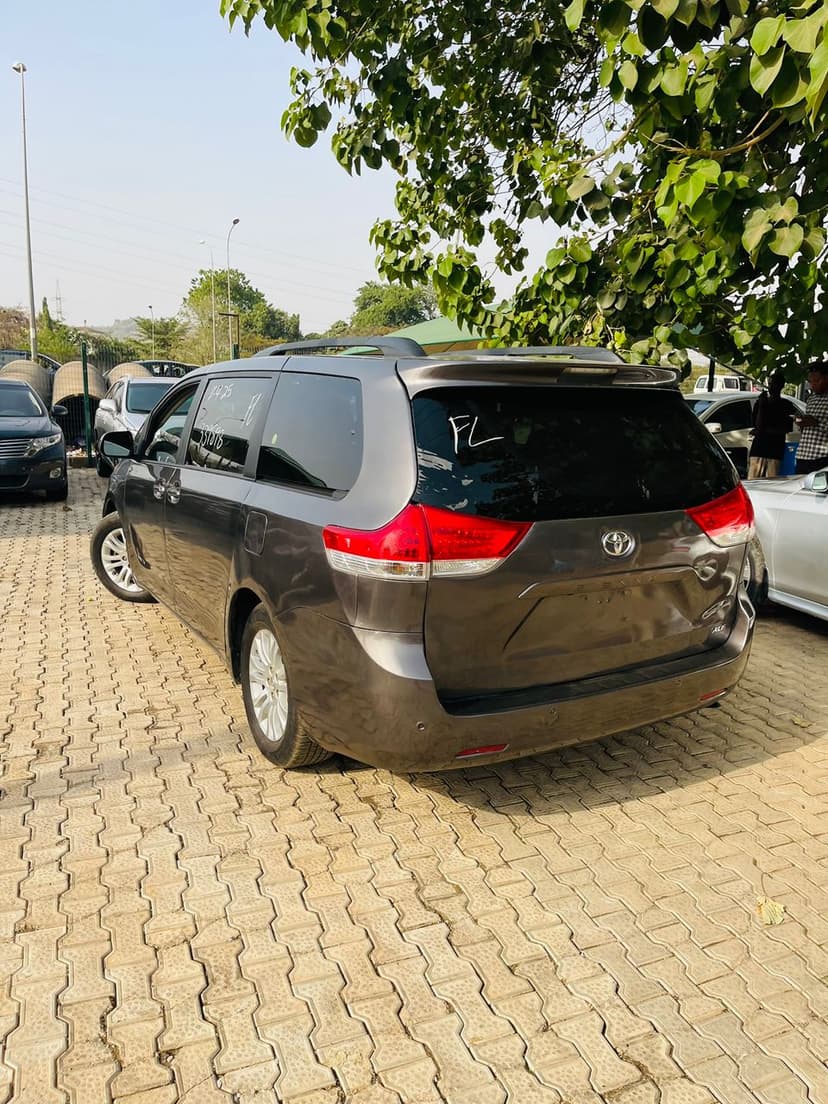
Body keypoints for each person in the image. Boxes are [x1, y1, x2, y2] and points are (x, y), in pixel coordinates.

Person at [748, 371, 796, 479]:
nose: (771, 387)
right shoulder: (760, 403)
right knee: (752, 481)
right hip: (758, 449)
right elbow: (757, 426)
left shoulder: (786, 405)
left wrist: (762, 431)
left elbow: (784, 429)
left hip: (774, 451)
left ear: (781, 386)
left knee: (772, 483)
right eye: (769, 384)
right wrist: (761, 406)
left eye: (774, 384)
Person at [795, 361, 828, 475]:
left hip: (822, 457)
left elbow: (817, 423)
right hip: (803, 455)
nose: (813, 385)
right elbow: (806, 428)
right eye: (810, 381)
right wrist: (801, 422)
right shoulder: (810, 399)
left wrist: (816, 423)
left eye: (817, 381)